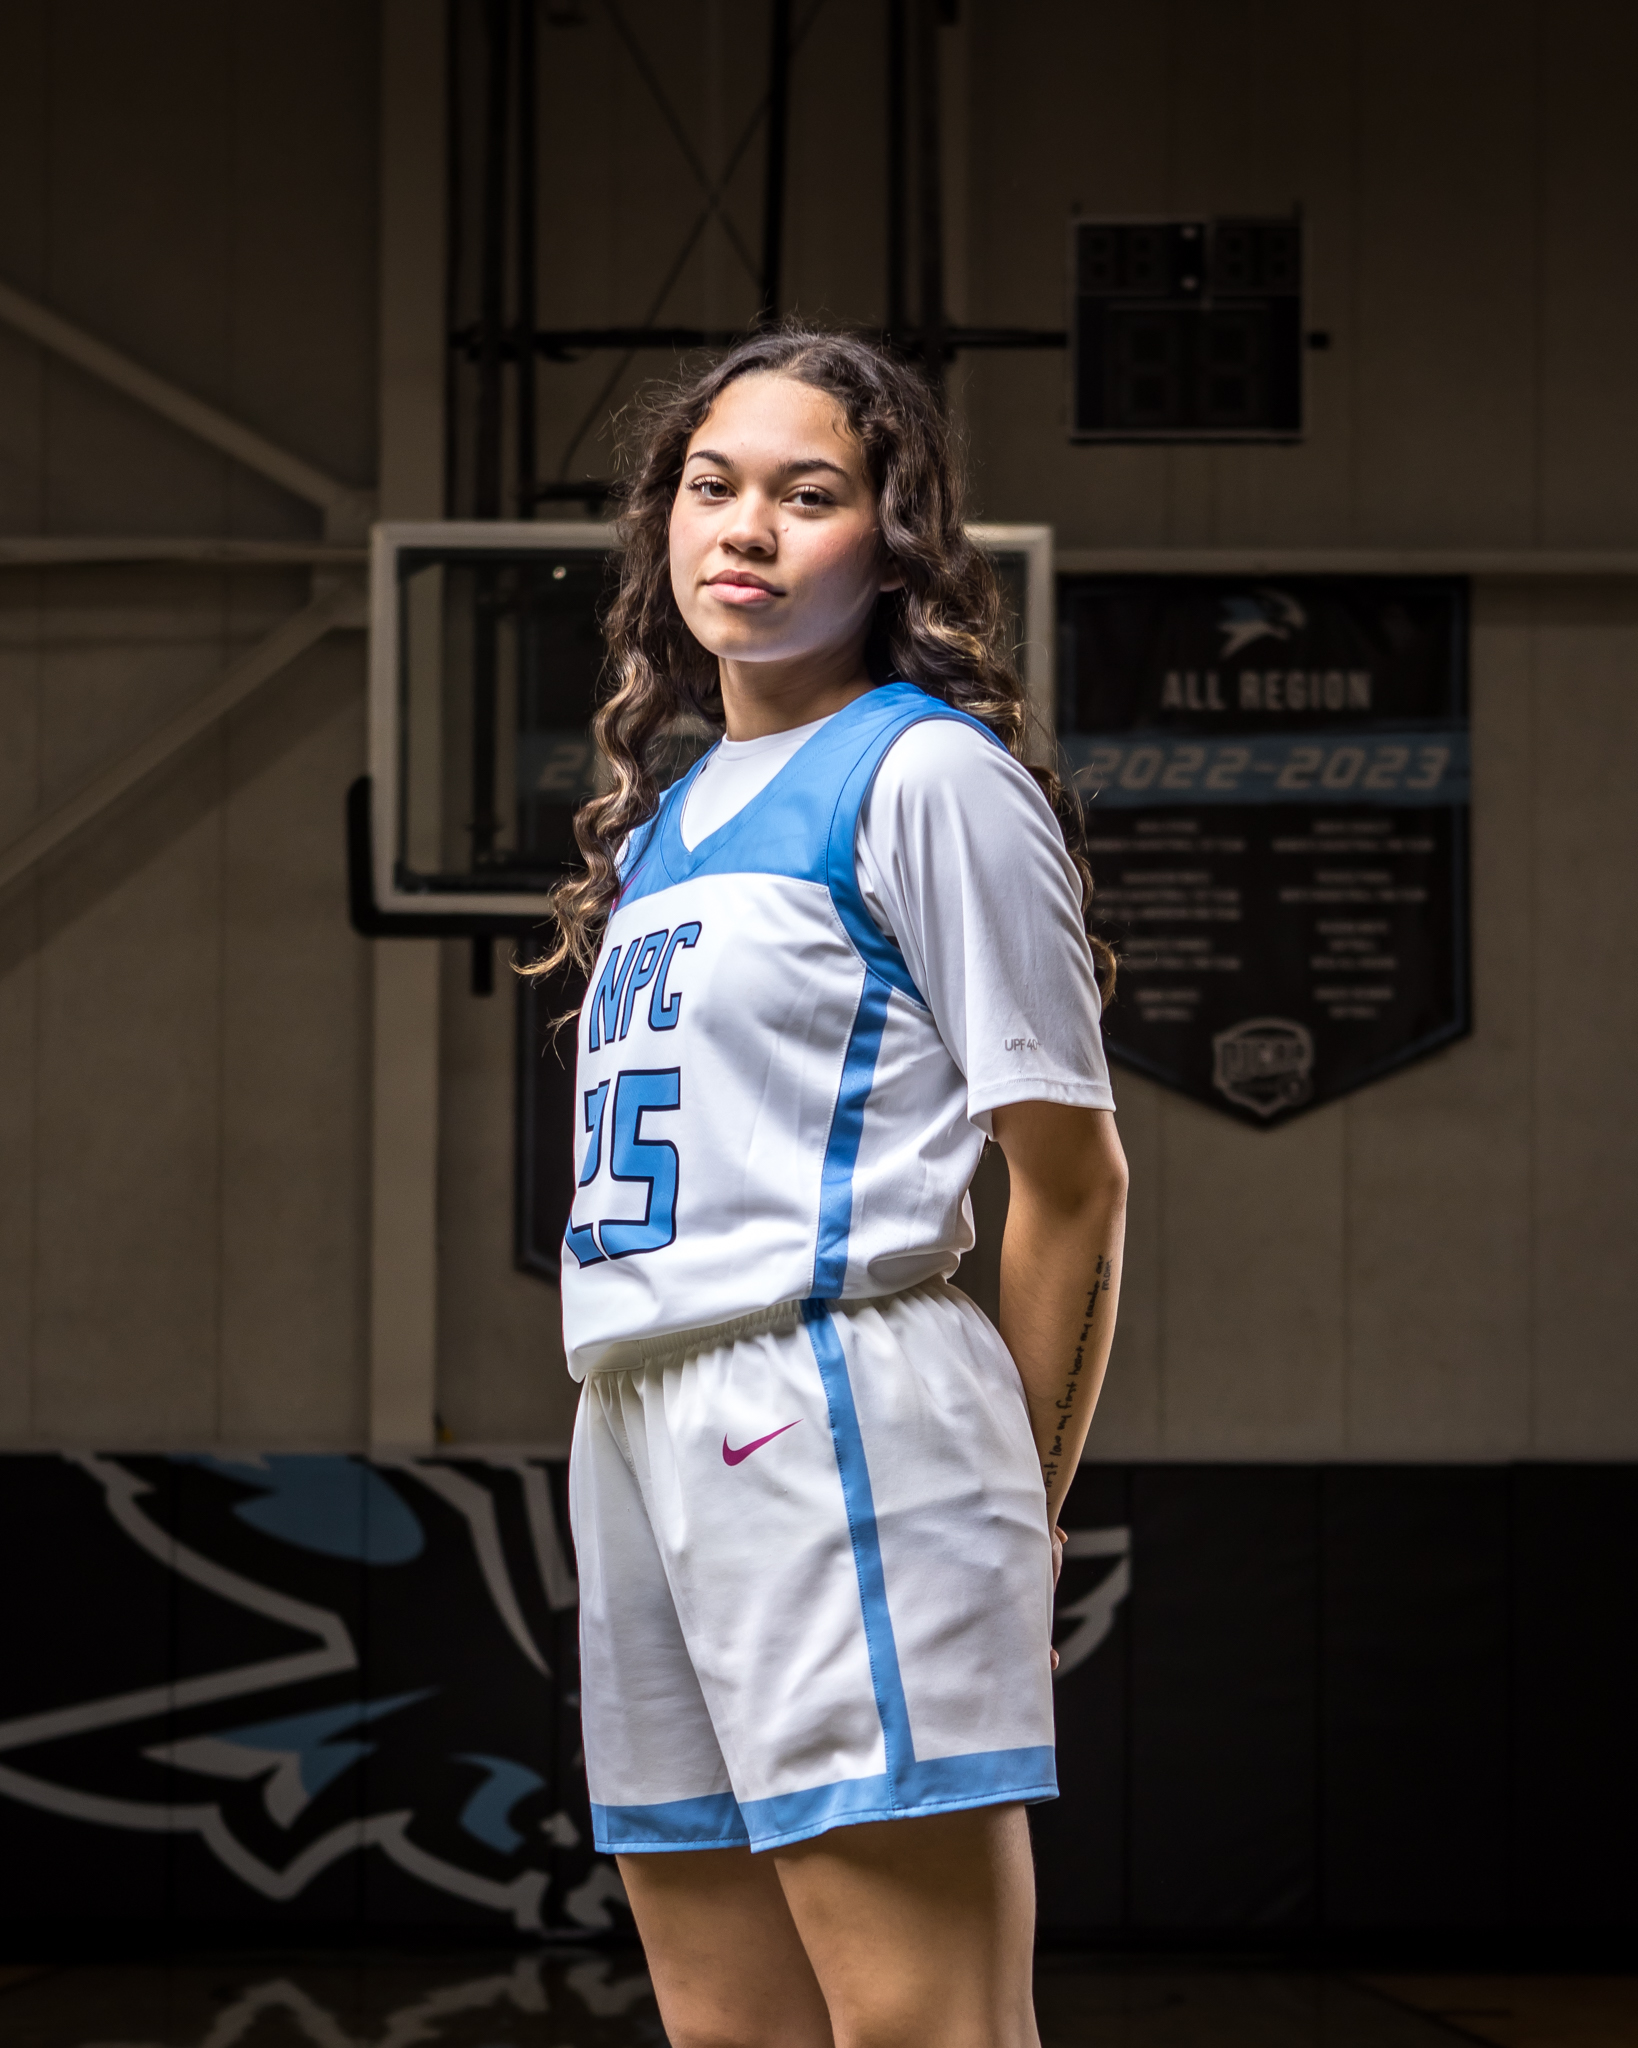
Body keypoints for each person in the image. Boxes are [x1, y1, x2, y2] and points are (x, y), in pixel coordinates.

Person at [525, 327, 1128, 2048]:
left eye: (809, 495)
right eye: (711, 489)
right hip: (638, 1413)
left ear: (894, 543)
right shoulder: (668, 816)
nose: (745, 529)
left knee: (923, 2030)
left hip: (837, 1403)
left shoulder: (926, 775)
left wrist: (1014, 1494)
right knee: (732, 2032)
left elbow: (1073, 1181)